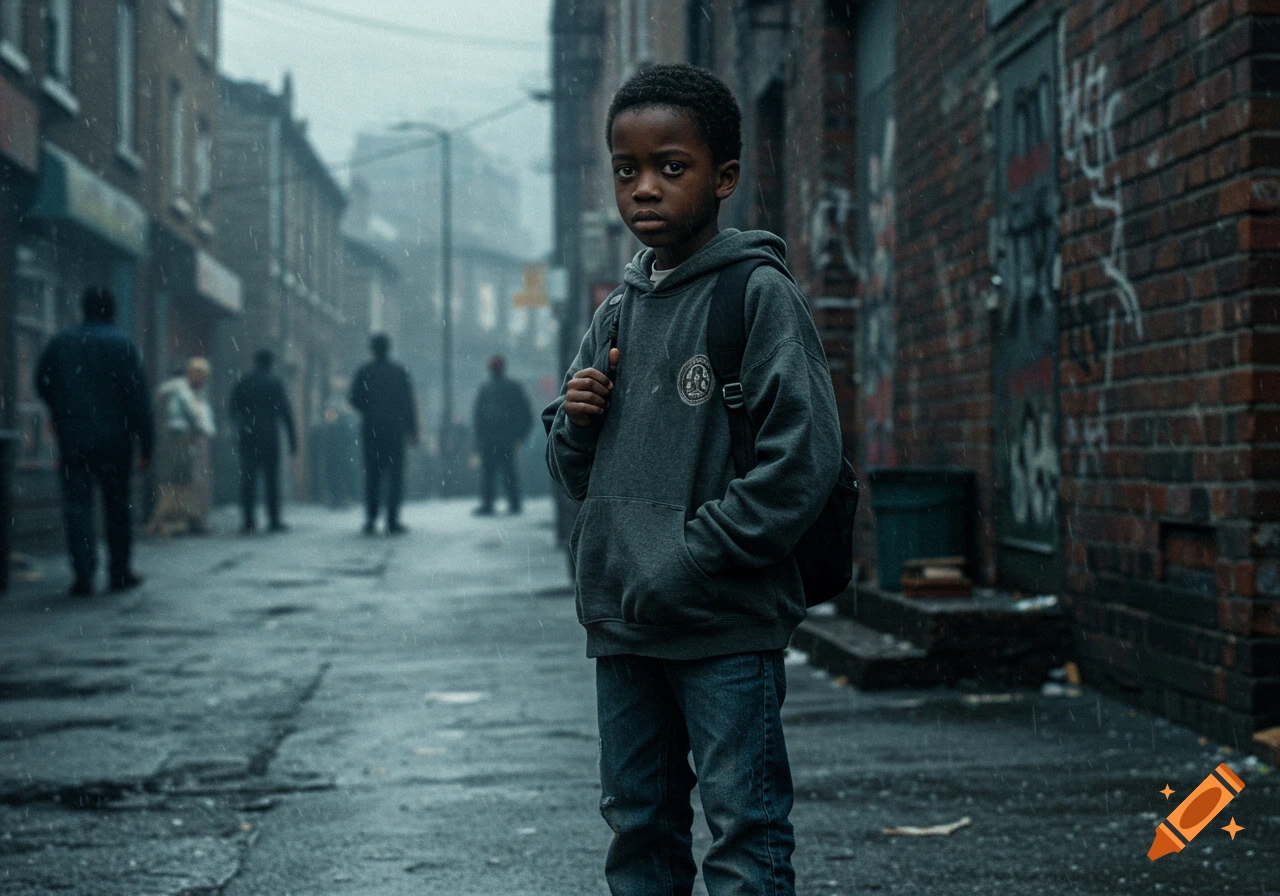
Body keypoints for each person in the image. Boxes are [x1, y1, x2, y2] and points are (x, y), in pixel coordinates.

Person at [542, 64, 841, 896]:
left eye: (671, 167)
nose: (645, 188)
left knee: (745, 833)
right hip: (625, 624)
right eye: (626, 169)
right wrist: (577, 417)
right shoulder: (614, 312)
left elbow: (802, 460)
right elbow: (570, 470)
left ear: (724, 178)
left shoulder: (755, 296)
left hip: (722, 623)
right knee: (639, 831)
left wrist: (694, 555)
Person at [35, 287, 153, 596]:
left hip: (74, 438)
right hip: (117, 440)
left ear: (83, 308)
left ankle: (84, 574)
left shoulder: (61, 343)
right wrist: (146, 442)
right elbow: (138, 397)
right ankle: (119, 572)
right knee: (117, 507)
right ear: (112, 310)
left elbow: (41, 381)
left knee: (78, 504)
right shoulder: (123, 344)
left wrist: (61, 410)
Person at [349, 333, 418, 535]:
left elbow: (354, 399)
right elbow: (408, 403)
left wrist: (370, 409)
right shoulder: (399, 372)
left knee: (373, 475)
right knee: (395, 475)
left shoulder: (364, 372)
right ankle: (392, 520)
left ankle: (371, 519)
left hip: (372, 430)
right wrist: (412, 430)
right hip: (395, 431)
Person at [228, 349, 297, 533]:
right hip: (269, 436)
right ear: (271, 362)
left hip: (248, 435)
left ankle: (248, 520)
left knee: (248, 478)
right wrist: (292, 440)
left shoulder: (244, 381)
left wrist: (242, 424)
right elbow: (285, 412)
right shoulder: (275, 383)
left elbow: (232, 408)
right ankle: (273, 519)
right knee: (271, 479)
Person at [147, 357, 216, 536]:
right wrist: (203, 429)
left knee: (175, 481)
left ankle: (175, 521)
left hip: (170, 440)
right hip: (179, 439)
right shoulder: (182, 390)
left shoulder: (167, 390)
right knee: (180, 481)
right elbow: (191, 415)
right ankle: (162, 520)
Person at [472, 354, 533, 516]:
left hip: (494, 438)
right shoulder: (511, 387)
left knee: (492, 472)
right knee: (506, 471)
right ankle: (511, 502)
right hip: (504, 438)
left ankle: (491, 503)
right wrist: (519, 435)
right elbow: (525, 414)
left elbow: (478, 416)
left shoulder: (487, 389)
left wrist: (479, 438)